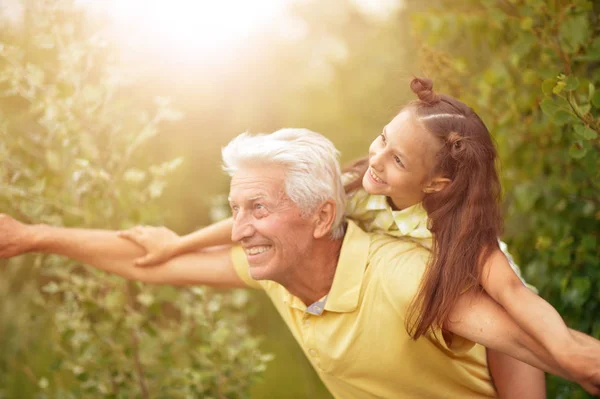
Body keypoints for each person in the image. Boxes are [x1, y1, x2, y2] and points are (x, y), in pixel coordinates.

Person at [2, 128, 599, 398]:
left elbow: (541, 343)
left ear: (319, 218)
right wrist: (30, 235)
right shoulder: (280, 269)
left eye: (257, 207)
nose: (240, 230)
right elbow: (148, 263)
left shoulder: (406, 275)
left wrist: (576, 360)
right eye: (236, 208)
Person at [119, 78, 592, 397]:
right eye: (383, 138)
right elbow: (249, 217)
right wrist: (176, 245)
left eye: (399, 159)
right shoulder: (362, 183)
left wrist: (567, 350)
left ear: (435, 184)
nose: (379, 158)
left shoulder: (464, 238)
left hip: (489, 309)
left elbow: (514, 295)